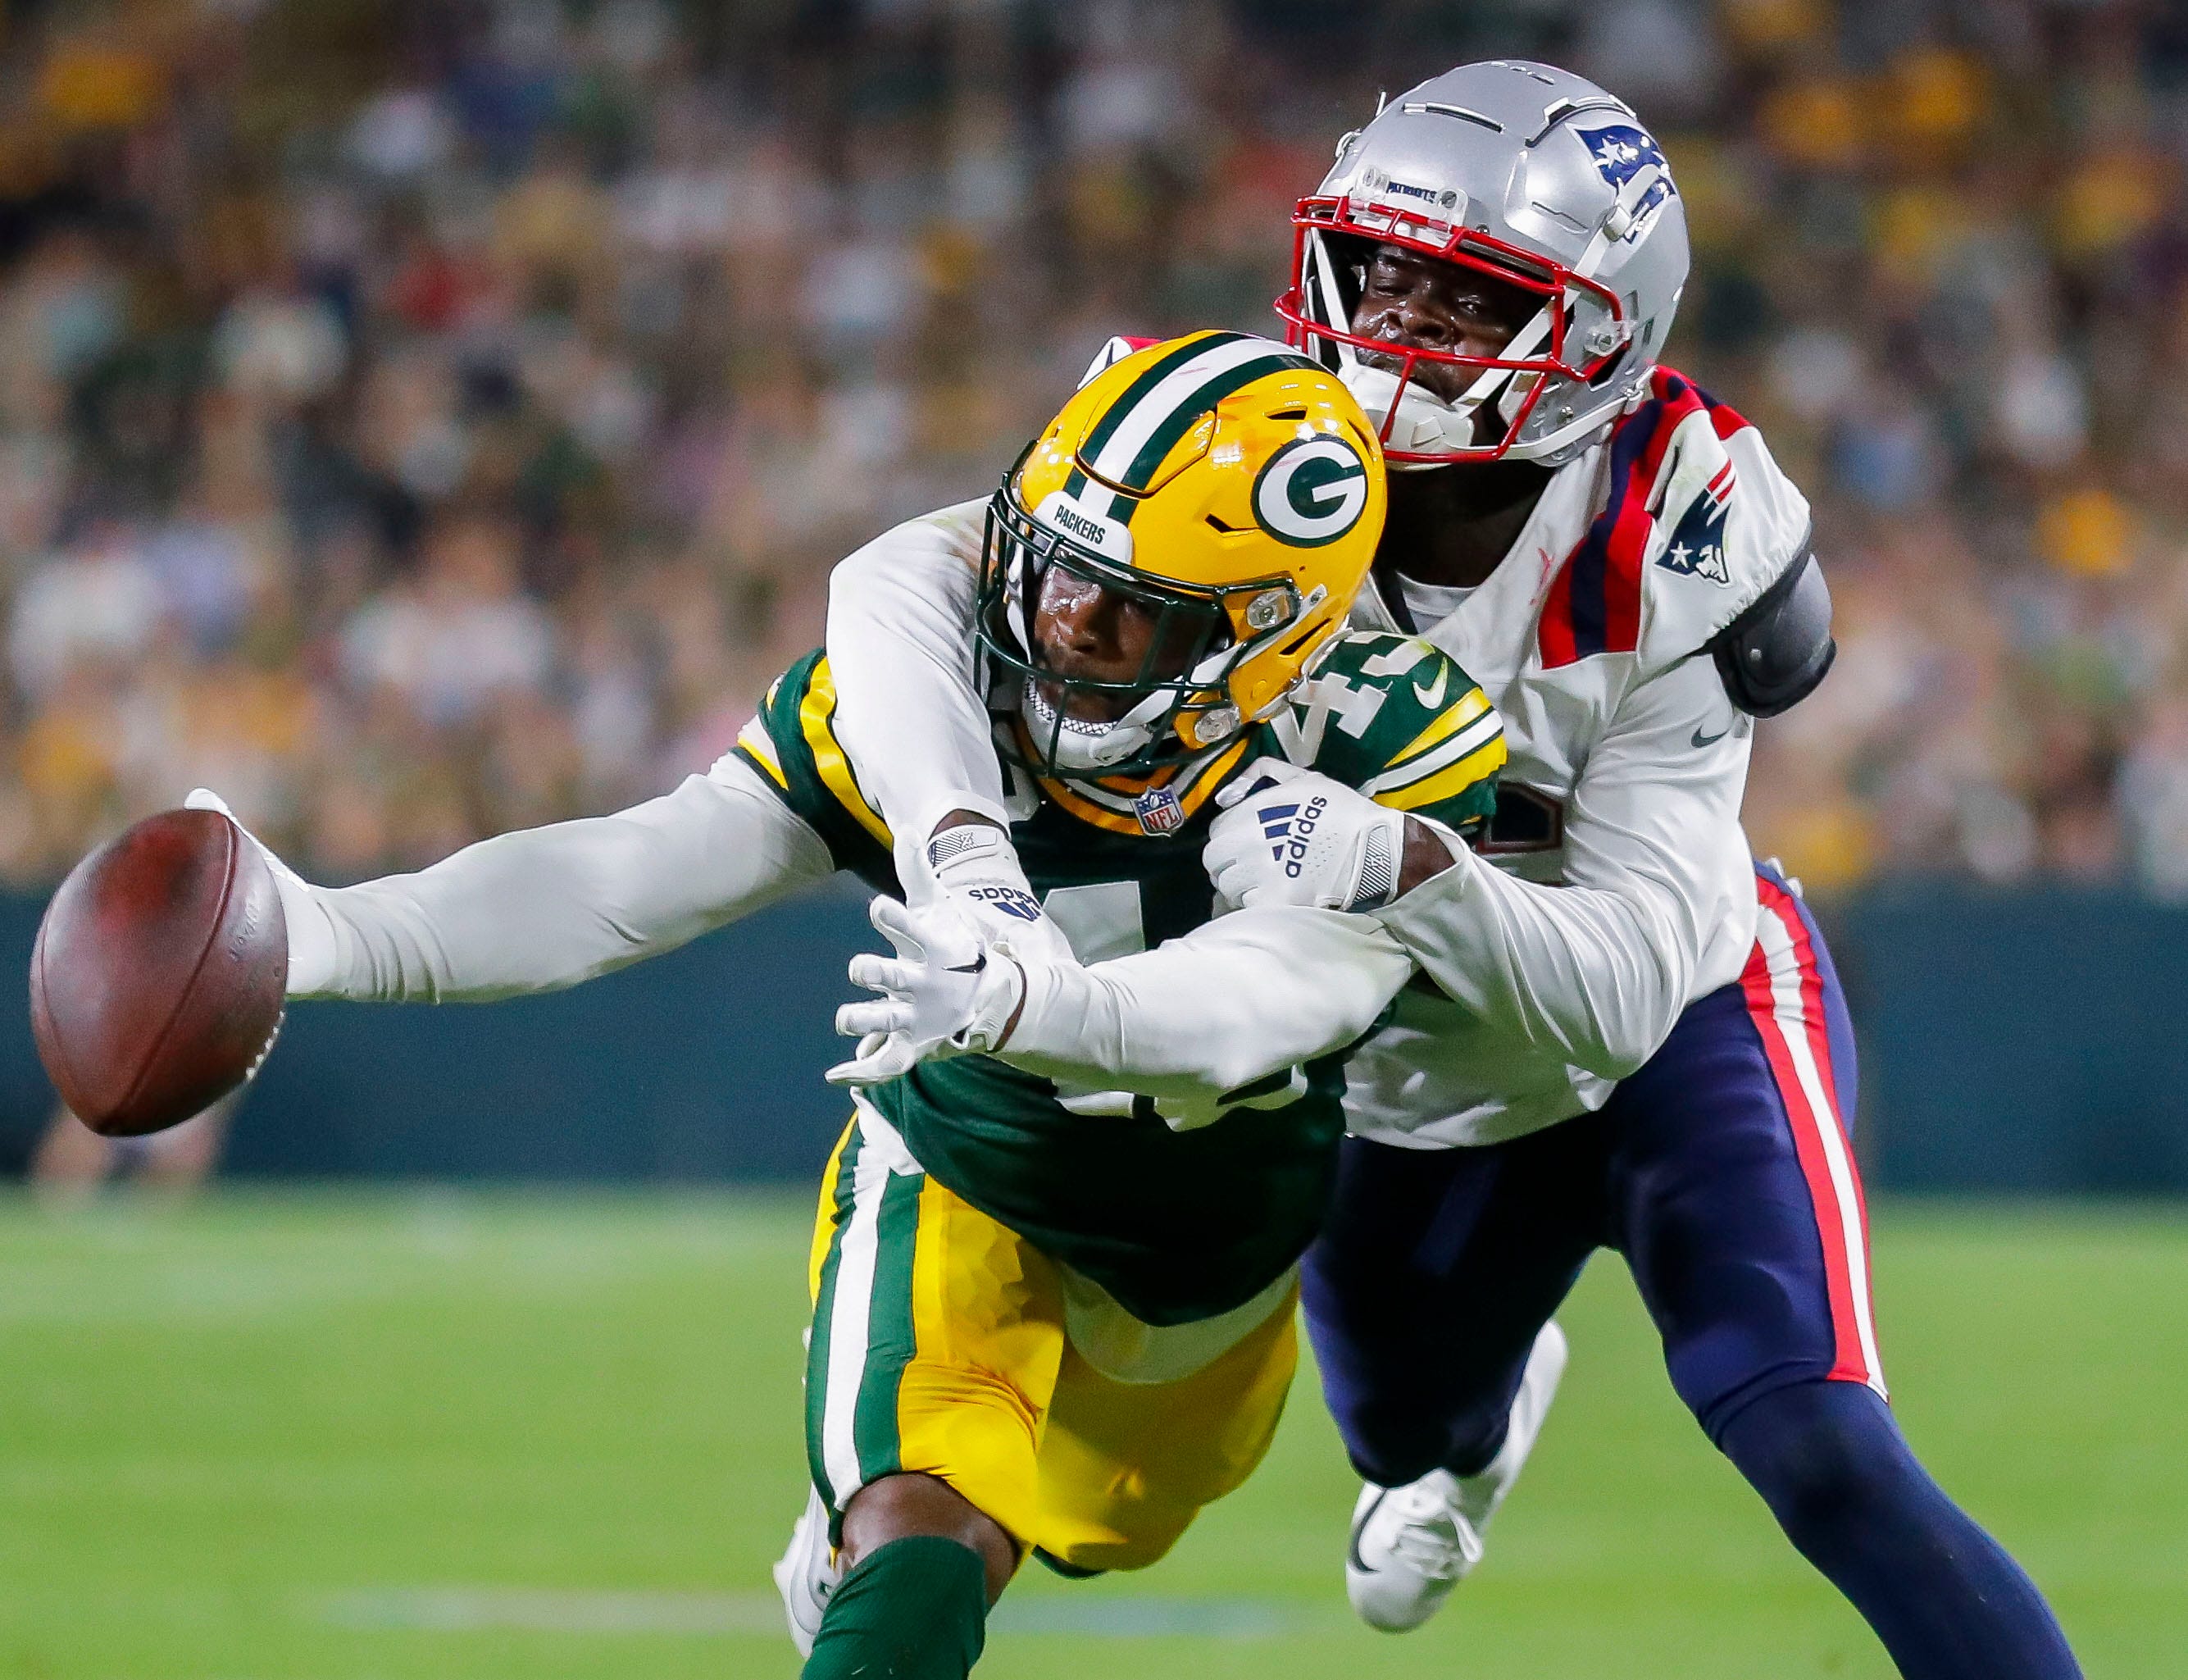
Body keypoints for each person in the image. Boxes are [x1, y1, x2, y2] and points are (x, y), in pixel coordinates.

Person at [818, 62, 2081, 1679]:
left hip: (1688, 1016)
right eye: (1379, 270)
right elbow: (905, 586)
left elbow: (1622, 982)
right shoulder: (1229, 436)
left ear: (1603, 333)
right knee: (1403, 1426)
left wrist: (1405, 858)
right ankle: (1475, 1432)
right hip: (1411, 1076)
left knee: (1815, 1437)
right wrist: (960, 848)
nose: (1398, 322)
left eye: (1468, 295)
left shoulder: (1682, 517)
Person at [190, 335, 1507, 1680]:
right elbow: (634, 871)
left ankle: (1472, 1405)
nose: (1065, 622)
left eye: (1133, 607)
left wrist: (1036, 1004)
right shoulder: (929, 687)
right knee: (922, 1530)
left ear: (1267, 639)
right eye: (1057, 568)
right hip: (958, 1167)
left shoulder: (1381, 747)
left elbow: (1268, 1000)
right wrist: (344, 933)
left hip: (1219, 1246)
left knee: (1107, 1530)